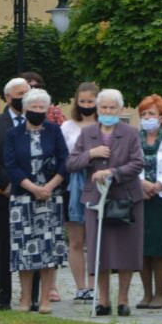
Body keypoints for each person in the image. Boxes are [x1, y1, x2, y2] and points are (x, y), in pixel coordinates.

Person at [67, 88, 145, 316]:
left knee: (126, 250)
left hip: (126, 198)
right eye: (104, 107)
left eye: (112, 108)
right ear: (97, 109)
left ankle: (122, 300)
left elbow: (137, 163)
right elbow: (72, 163)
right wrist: (91, 154)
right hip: (96, 199)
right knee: (99, 251)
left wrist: (113, 172)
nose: (107, 111)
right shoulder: (88, 133)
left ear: (119, 110)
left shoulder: (130, 133)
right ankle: (103, 300)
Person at [5, 88, 68, 312]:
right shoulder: (13, 134)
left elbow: (64, 161)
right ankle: (24, 298)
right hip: (23, 198)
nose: (38, 111)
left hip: (51, 198)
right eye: (33, 107)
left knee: (49, 250)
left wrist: (49, 186)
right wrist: (32, 188)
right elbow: (11, 165)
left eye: (42, 108)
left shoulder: (54, 131)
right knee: (24, 248)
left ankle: (44, 299)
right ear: (25, 109)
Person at [0, 76, 38, 311]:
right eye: (20, 93)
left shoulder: (36, 121)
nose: (24, 97)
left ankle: (32, 296)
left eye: (28, 92)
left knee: (31, 245)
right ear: (7, 97)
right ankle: (3, 296)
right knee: (4, 246)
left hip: (31, 194)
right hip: (2, 193)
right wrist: (7, 183)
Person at [61, 82, 99, 302]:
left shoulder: (104, 125)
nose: (86, 105)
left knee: (95, 240)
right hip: (73, 187)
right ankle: (81, 286)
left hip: (98, 185)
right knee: (76, 240)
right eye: (82, 102)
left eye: (90, 102)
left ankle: (95, 285)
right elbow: (65, 159)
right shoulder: (67, 127)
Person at [137, 94, 162, 309]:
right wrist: (141, 184)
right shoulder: (134, 137)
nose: (147, 117)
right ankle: (146, 294)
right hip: (139, 197)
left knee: (159, 249)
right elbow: (129, 162)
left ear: (161, 116)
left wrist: (159, 184)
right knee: (141, 249)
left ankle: (159, 294)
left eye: (151, 113)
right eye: (144, 114)